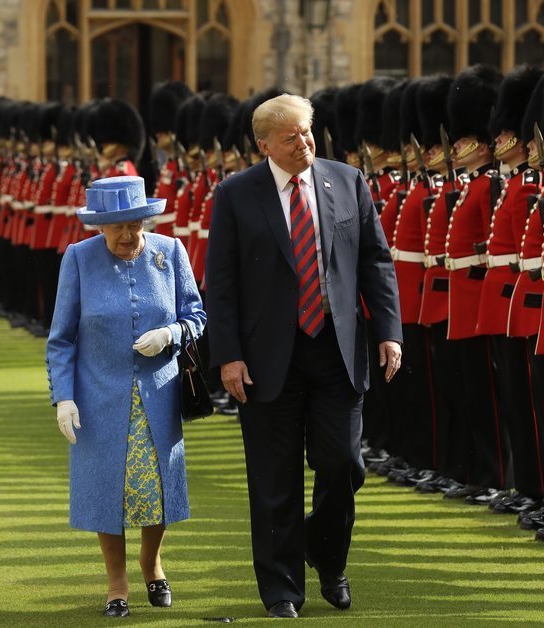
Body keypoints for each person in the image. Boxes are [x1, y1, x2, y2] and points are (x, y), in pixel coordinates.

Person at [204, 94, 402, 619]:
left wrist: (389, 332)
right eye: (291, 137)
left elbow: (375, 262)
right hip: (268, 357)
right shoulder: (235, 195)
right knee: (274, 480)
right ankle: (281, 590)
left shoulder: (348, 181)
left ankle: (327, 555)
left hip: (337, 351)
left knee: (343, 465)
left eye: (308, 133)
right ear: (264, 144)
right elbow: (219, 284)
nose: (303, 144)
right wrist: (227, 356)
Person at [46, 175, 206, 617]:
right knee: (108, 491)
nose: (128, 235)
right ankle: (116, 582)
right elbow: (62, 338)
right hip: (99, 396)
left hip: (159, 393)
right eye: (117, 226)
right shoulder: (78, 259)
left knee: (155, 487)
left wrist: (171, 332)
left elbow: (196, 313)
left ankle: (152, 564)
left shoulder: (170, 251)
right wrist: (64, 396)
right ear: (99, 227)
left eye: (135, 223)